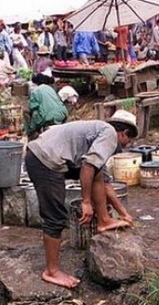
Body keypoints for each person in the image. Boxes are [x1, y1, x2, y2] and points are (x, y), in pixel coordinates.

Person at [24, 110, 138, 288]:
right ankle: (51, 271)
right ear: (123, 134)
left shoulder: (99, 135)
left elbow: (105, 183)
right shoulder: (108, 134)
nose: (125, 145)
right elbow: (87, 167)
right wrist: (86, 202)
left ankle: (104, 220)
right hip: (43, 160)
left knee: (98, 174)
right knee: (55, 216)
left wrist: (124, 214)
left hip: (49, 155)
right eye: (128, 141)